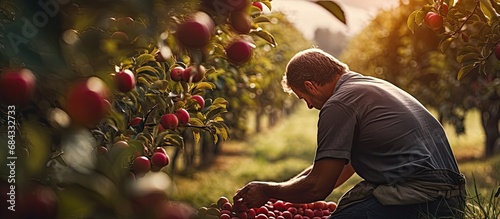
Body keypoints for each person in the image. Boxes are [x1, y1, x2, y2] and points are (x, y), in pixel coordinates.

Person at [233, 48, 466, 219]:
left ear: (311, 85)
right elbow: (335, 171)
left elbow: (318, 187)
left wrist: (267, 191)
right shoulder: (368, 85)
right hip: (452, 197)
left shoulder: (339, 103)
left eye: (304, 98)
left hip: (424, 200)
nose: (309, 106)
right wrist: (283, 190)